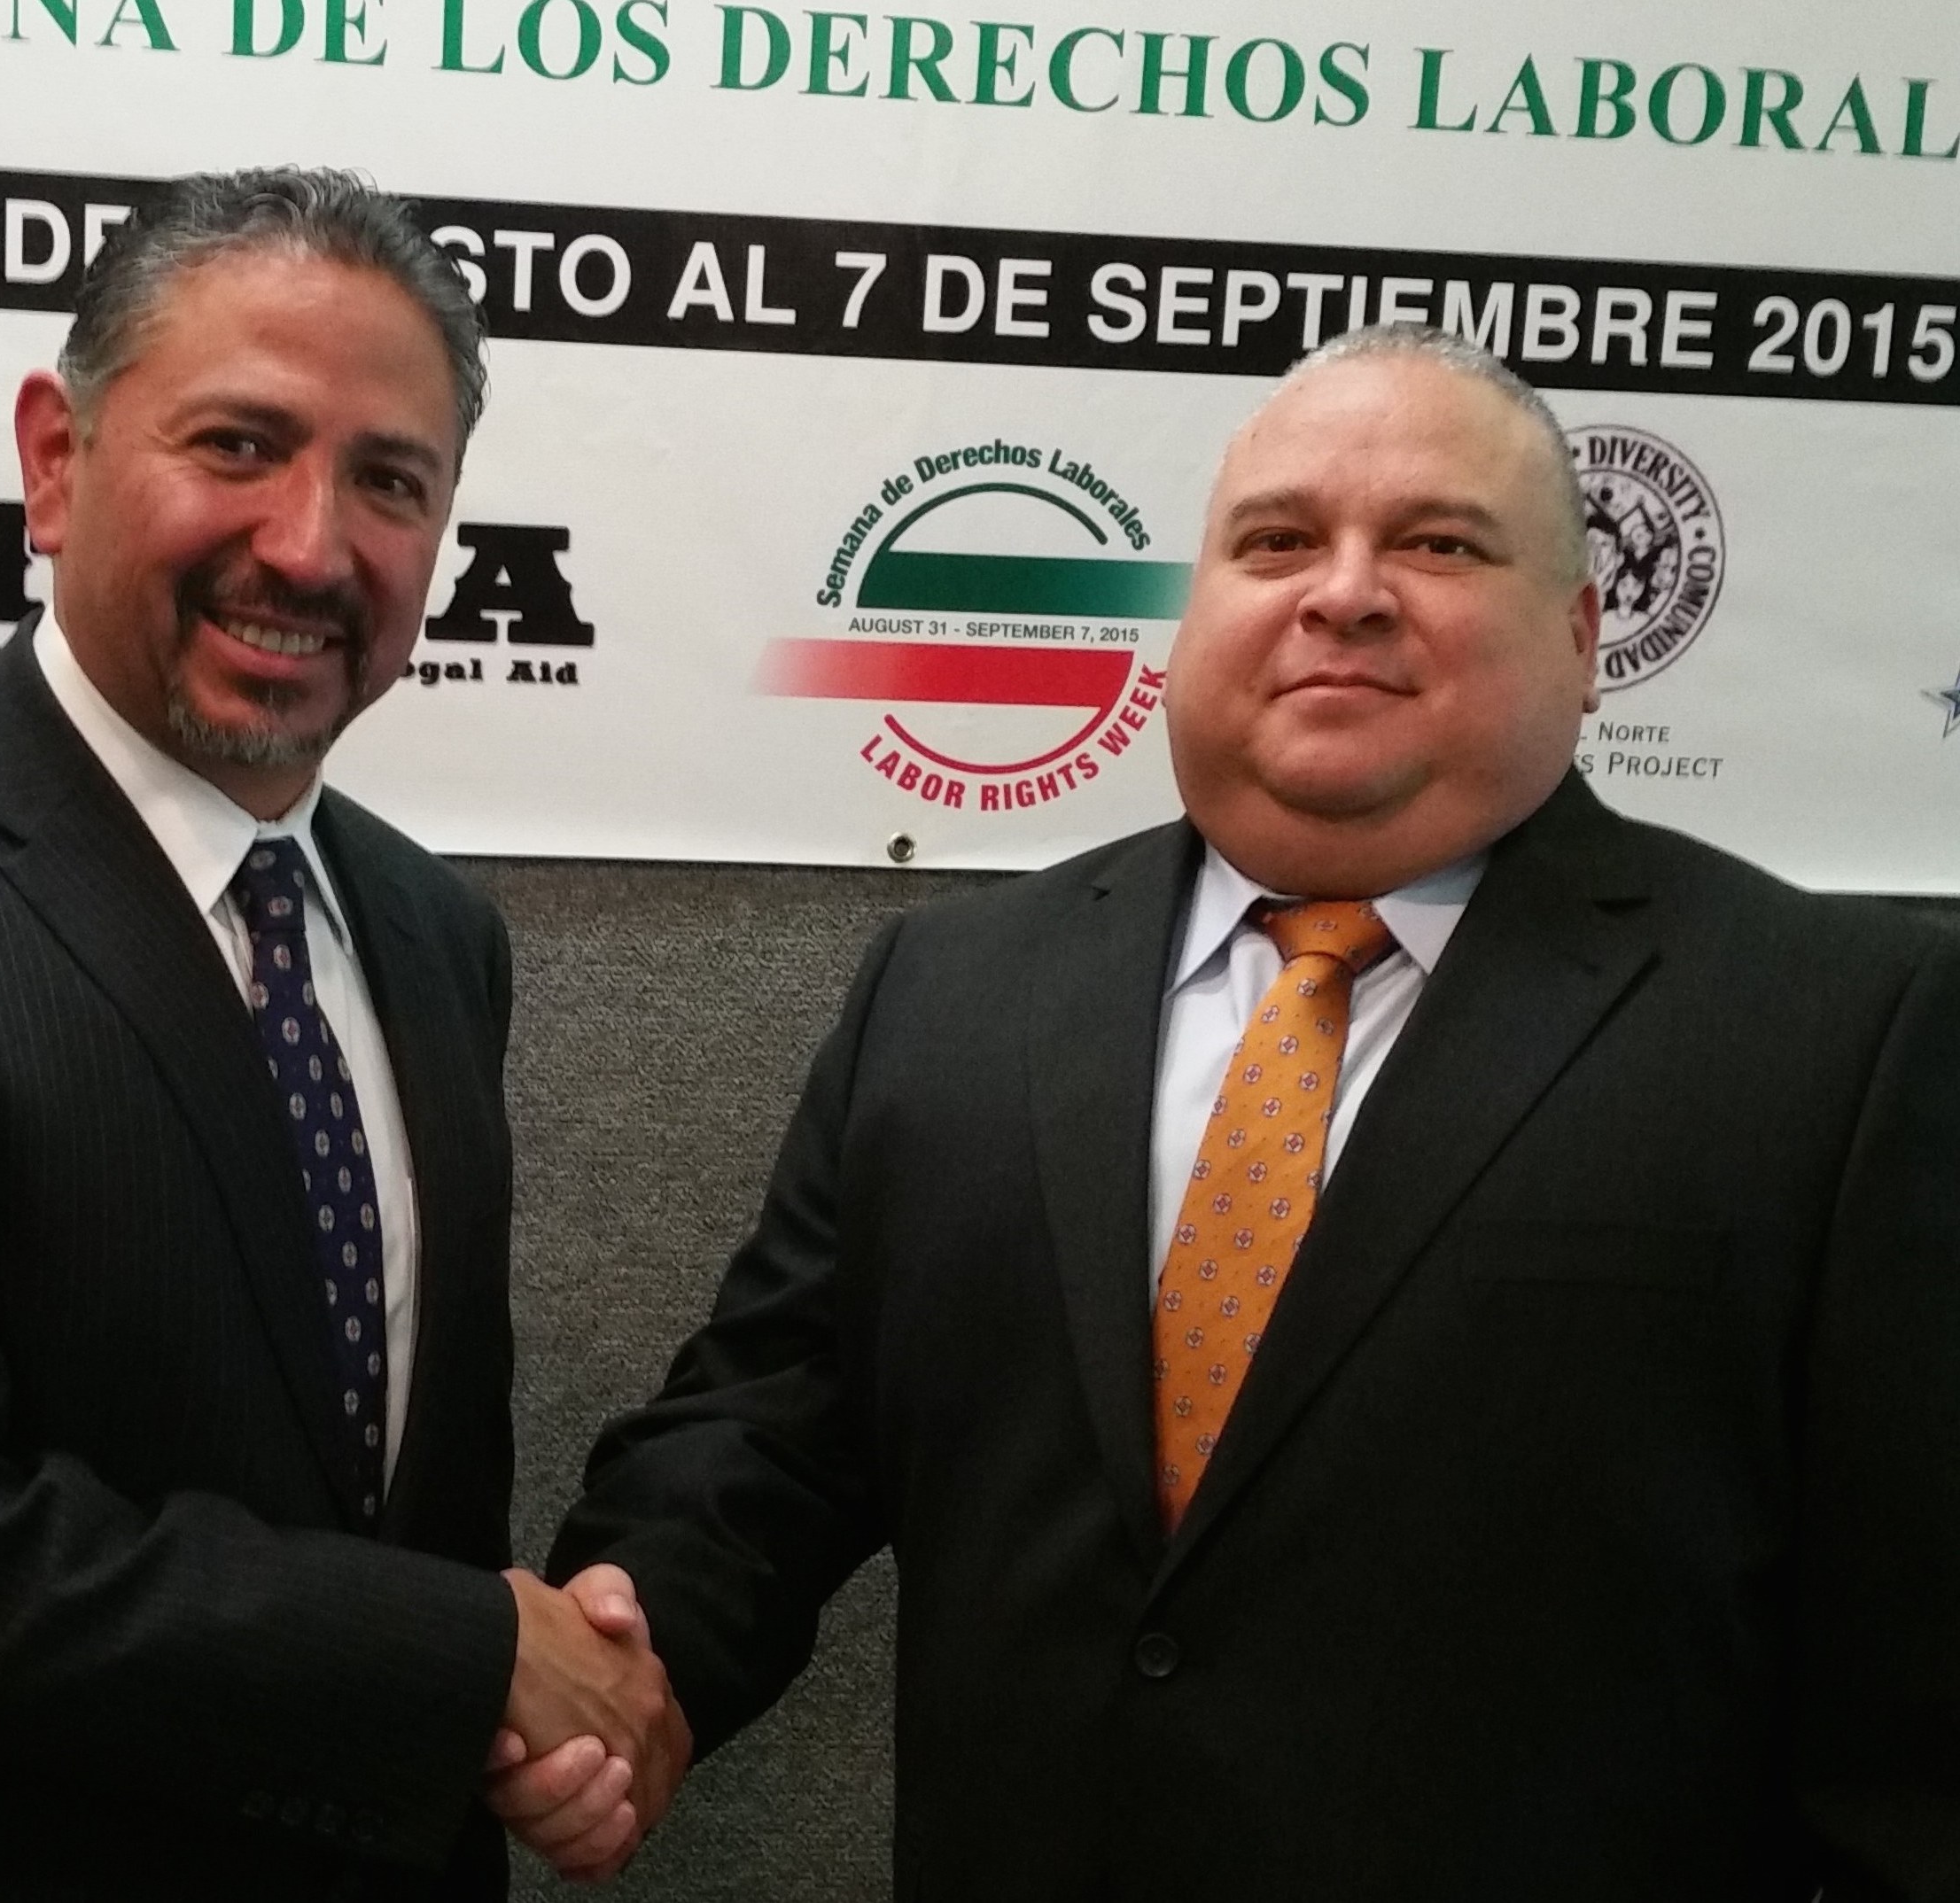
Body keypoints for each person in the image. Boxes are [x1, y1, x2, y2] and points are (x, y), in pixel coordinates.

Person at [521, 325, 1960, 1898]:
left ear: (1583, 627)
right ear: (1195, 608)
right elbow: (776, 1428)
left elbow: (1913, 1673)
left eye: (1436, 541)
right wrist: (615, 1663)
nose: (1341, 591)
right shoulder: (951, 991)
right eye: (1276, 541)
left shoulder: (1841, 1034)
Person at [0, 167, 681, 1902]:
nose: (314, 546)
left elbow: (390, 1491)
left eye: (390, 480)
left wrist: (525, 1717)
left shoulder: (431, 935)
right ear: (54, 458)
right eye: (240, 444)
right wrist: (470, 1661)